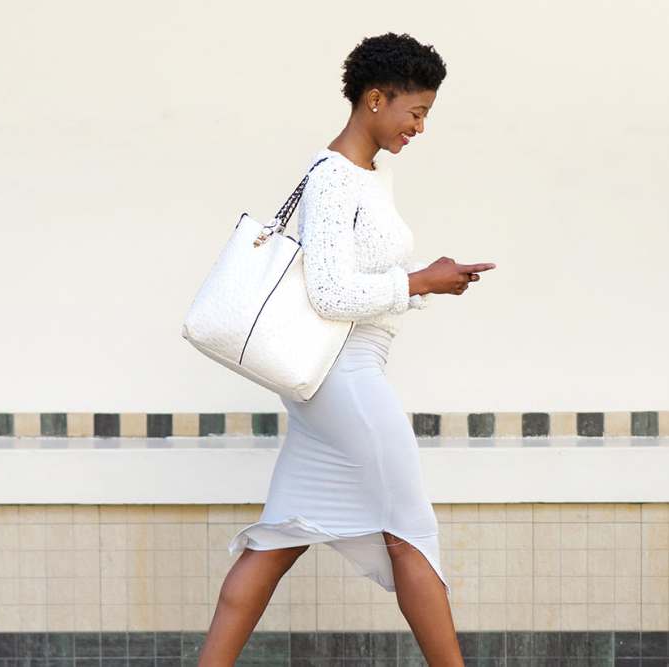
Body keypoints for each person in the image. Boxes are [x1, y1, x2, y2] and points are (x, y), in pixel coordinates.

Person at [199, 32, 496, 666]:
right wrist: (421, 281)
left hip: (330, 383)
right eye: (415, 112)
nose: (419, 127)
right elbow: (331, 295)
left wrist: (428, 281)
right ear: (375, 99)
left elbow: (354, 283)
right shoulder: (336, 178)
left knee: (277, 539)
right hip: (347, 381)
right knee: (410, 534)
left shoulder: (366, 175)